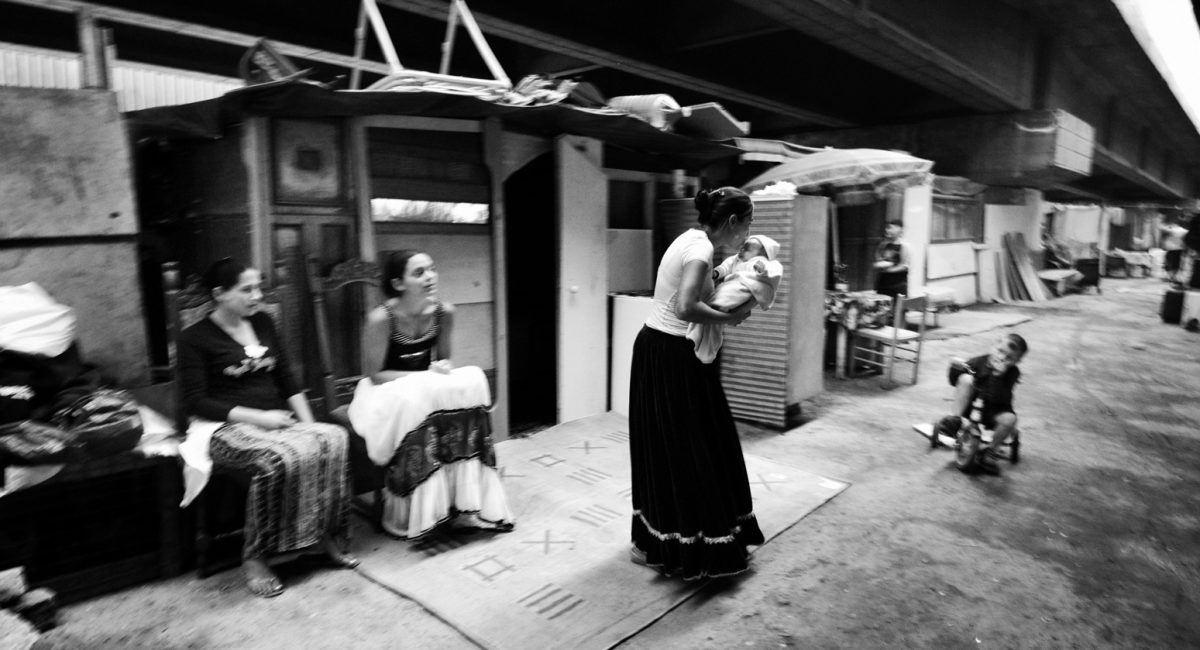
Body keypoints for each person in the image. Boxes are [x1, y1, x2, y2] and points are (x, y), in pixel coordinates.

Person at [179, 258, 356, 599]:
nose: (257, 296)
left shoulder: (263, 322)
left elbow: (287, 379)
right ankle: (256, 557)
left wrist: (310, 426)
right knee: (275, 460)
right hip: (221, 428)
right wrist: (257, 418)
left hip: (275, 419)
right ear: (220, 294)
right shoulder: (194, 338)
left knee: (334, 439)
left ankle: (323, 537)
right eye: (246, 290)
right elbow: (195, 402)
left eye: (258, 287)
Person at [629, 186, 765, 580]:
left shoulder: (692, 241)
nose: (749, 232)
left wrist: (729, 270)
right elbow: (688, 305)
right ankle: (694, 548)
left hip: (658, 350)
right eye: (749, 223)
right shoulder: (701, 249)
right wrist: (730, 319)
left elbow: (692, 288)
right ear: (734, 222)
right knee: (693, 448)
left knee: (679, 446)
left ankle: (656, 542)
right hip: (673, 356)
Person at [348, 250, 513, 539]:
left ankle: (464, 506)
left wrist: (440, 368)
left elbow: (445, 361)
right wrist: (425, 377)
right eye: (419, 272)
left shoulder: (443, 312)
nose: (430, 277)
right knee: (414, 403)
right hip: (384, 393)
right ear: (399, 283)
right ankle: (420, 508)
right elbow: (374, 374)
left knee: (472, 379)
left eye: (432, 269)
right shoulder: (380, 318)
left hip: (426, 391)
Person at [686, 234, 784, 363]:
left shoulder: (760, 261)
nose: (742, 250)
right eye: (743, 247)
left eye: (748, 248)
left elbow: (773, 270)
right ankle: (698, 335)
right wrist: (716, 273)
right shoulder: (736, 259)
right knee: (710, 309)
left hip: (746, 288)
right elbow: (725, 267)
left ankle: (707, 335)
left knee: (718, 302)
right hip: (730, 286)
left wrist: (762, 269)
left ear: (762, 253)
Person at [943, 332, 1028, 471]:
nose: (1001, 358)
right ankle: (955, 420)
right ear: (994, 346)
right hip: (972, 405)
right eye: (1000, 351)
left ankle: (991, 451)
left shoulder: (1013, 373)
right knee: (965, 379)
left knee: (1010, 419)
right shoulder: (978, 361)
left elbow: (999, 397)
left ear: (1016, 361)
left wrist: (997, 376)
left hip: (996, 409)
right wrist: (955, 368)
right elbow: (955, 382)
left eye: (1009, 358)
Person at [873, 221, 911, 299]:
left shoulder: (904, 245)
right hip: (883, 283)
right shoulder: (883, 244)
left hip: (898, 285)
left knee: (897, 309)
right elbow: (878, 257)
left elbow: (905, 266)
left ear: (899, 230)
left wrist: (889, 270)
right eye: (887, 228)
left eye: (891, 228)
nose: (888, 230)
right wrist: (878, 264)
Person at [1159, 215, 1188, 283]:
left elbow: (1162, 228)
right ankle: (1173, 277)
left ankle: (1171, 276)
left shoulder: (1172, 230)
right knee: (1176, 263)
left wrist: (1167, 224)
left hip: (1171, 248)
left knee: (1169, 262)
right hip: (1179, 249)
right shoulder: (1185, 231)